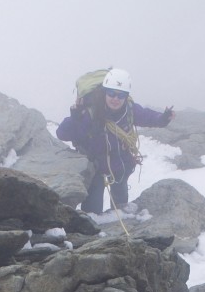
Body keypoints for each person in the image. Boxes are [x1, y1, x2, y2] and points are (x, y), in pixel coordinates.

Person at [56, 68, 174, 215]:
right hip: (95, 167)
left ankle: (118, 225)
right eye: (111, 93)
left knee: (121, 207)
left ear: (126, 96)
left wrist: (162, 119)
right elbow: (62, 134)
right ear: (105, 91)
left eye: (121, 95)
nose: (115, 99)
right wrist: (76, 118)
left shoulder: (129, 110)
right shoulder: (90, 111)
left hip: (120, 164)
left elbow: (147, 116)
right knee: (93, 210)